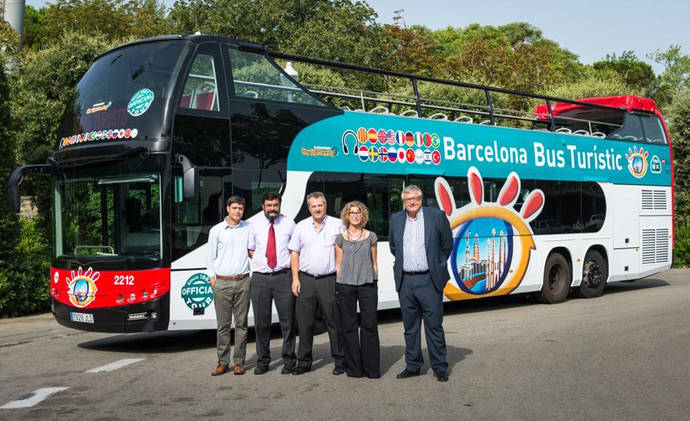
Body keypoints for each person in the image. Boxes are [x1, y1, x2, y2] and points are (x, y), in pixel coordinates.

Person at [388, 185, 453, 382]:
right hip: (406, 280)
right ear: (403, 202)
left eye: (415, 198)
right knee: (410, 327)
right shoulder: (396, 219)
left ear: (421, 199)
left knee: (434, 326)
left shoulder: (436, 216)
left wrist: (437, 264)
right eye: (408, 200)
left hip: (429, 279)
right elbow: (393, 246)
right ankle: (413, 365)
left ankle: (440, 367)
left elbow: (447, 244)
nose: (412, 202)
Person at [289, 192, 345, 375]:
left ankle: (340, 361)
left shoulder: (338, 225)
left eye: (320, 205)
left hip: (329, 280)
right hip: (306, 280)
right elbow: (294, 253)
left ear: (325, 205)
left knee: (333, 322)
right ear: (309, 207)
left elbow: (343, 252)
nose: (317, 209)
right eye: (313, 206)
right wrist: (295, 278)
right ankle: (304, 362)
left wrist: (340, 277)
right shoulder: (301, 226)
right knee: (304, 324)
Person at [248, 192, 297, 375]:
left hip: (283, 277)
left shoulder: (289, 223)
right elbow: (250, 249)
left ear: (280, 205)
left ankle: (289, 361)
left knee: (288, 322)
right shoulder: (254, 225)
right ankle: (263, 361)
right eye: (268, 205)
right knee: (262, 323)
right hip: (260, 278)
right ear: (263, 206)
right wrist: (264, 260)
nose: (272, 209)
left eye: (275, 205)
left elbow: (294, 251)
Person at [335, 201, 380, 378]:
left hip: (367, 285)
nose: (355, 215)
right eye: (352, 212)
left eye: (358, 213)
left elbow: (374, 263)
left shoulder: (371, 237)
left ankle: (371, 369)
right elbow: (338, 263)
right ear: (347, 215)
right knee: (349, 326)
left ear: (363, 216)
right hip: (345, 285)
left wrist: (375, 281)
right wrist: (339, 282)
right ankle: (354, 368)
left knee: (369, 325)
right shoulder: (340, 238)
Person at [207, 195, 251, 376]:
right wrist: (212, 278)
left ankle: (239, 362)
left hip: (243, 281)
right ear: (228, 209)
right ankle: (223, 362)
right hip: (222, 282)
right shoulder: (217, 230)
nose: (238, 212)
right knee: (223, 325)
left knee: (241, 324)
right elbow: (211, 257)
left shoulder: (248, 228)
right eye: (234, 208)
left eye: (240, 209)